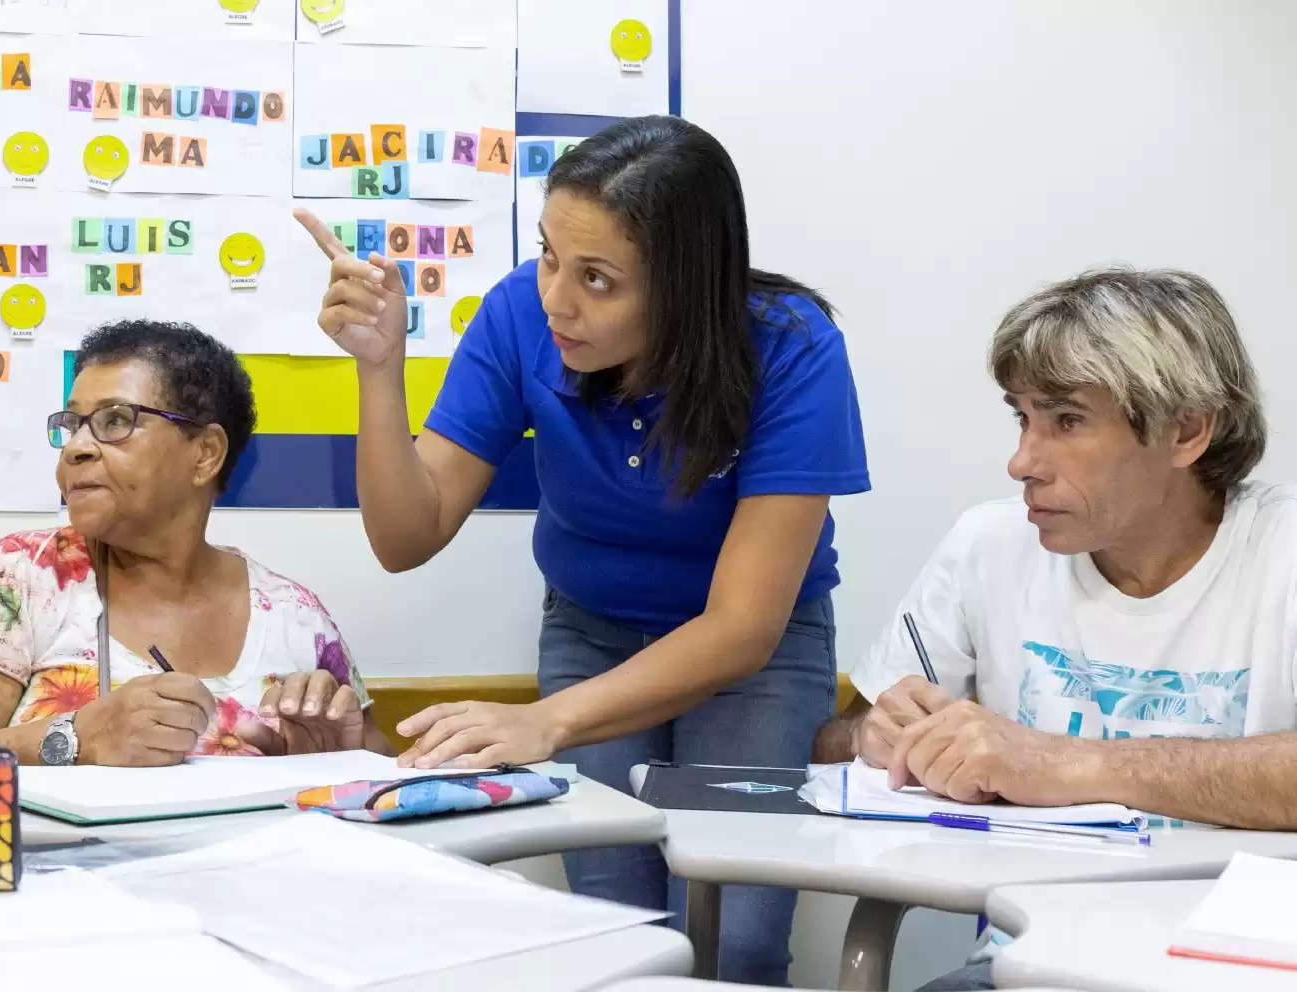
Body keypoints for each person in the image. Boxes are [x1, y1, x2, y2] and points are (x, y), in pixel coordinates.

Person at [298, 115, 870, 984]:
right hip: (593, 631)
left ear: (687, 287)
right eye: (550, 256)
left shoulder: (792, 349)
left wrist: (546, 721)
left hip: (757, 655)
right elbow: (405, 537)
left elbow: (745, 627)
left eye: (598, 279)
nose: (558, 298)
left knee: (737, 938)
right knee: (614, 926)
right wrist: (380, 372)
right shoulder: (521, 313)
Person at [814, 268, 1297, 991]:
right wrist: (875, 740)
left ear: (1188, 430)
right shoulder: (988, 546)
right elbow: (831, 744)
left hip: (1241, 969)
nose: (1022, 463)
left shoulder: (1282, 552)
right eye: (1023, 418)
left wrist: (1064, 765)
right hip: (1019, 969)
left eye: (1067, 422)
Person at [0, 320, 392, 765]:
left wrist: (329, 756)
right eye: (72, 425)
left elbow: (381, 773)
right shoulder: (24, 575)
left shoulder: (296, 617)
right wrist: (77, 738)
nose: (78, 448)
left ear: (205, 454)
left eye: (114, 421)